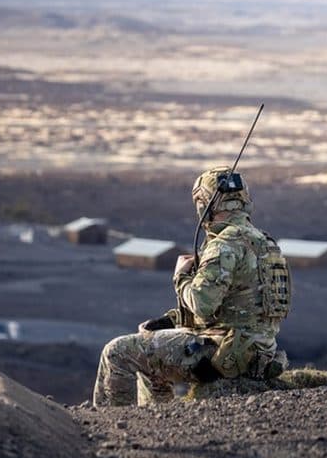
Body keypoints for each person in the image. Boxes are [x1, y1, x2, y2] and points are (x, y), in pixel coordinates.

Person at [92, 165, 290, 407]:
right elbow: (240, 306)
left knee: (117, 352)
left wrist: (181, 278)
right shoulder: (267, 243)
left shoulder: (224, 244)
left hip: (225, 354)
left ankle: (114, 423)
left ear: (205, 204)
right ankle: (157, 415)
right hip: (258, 352)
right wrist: (172, 320)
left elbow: (202, 304)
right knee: (149, 344)